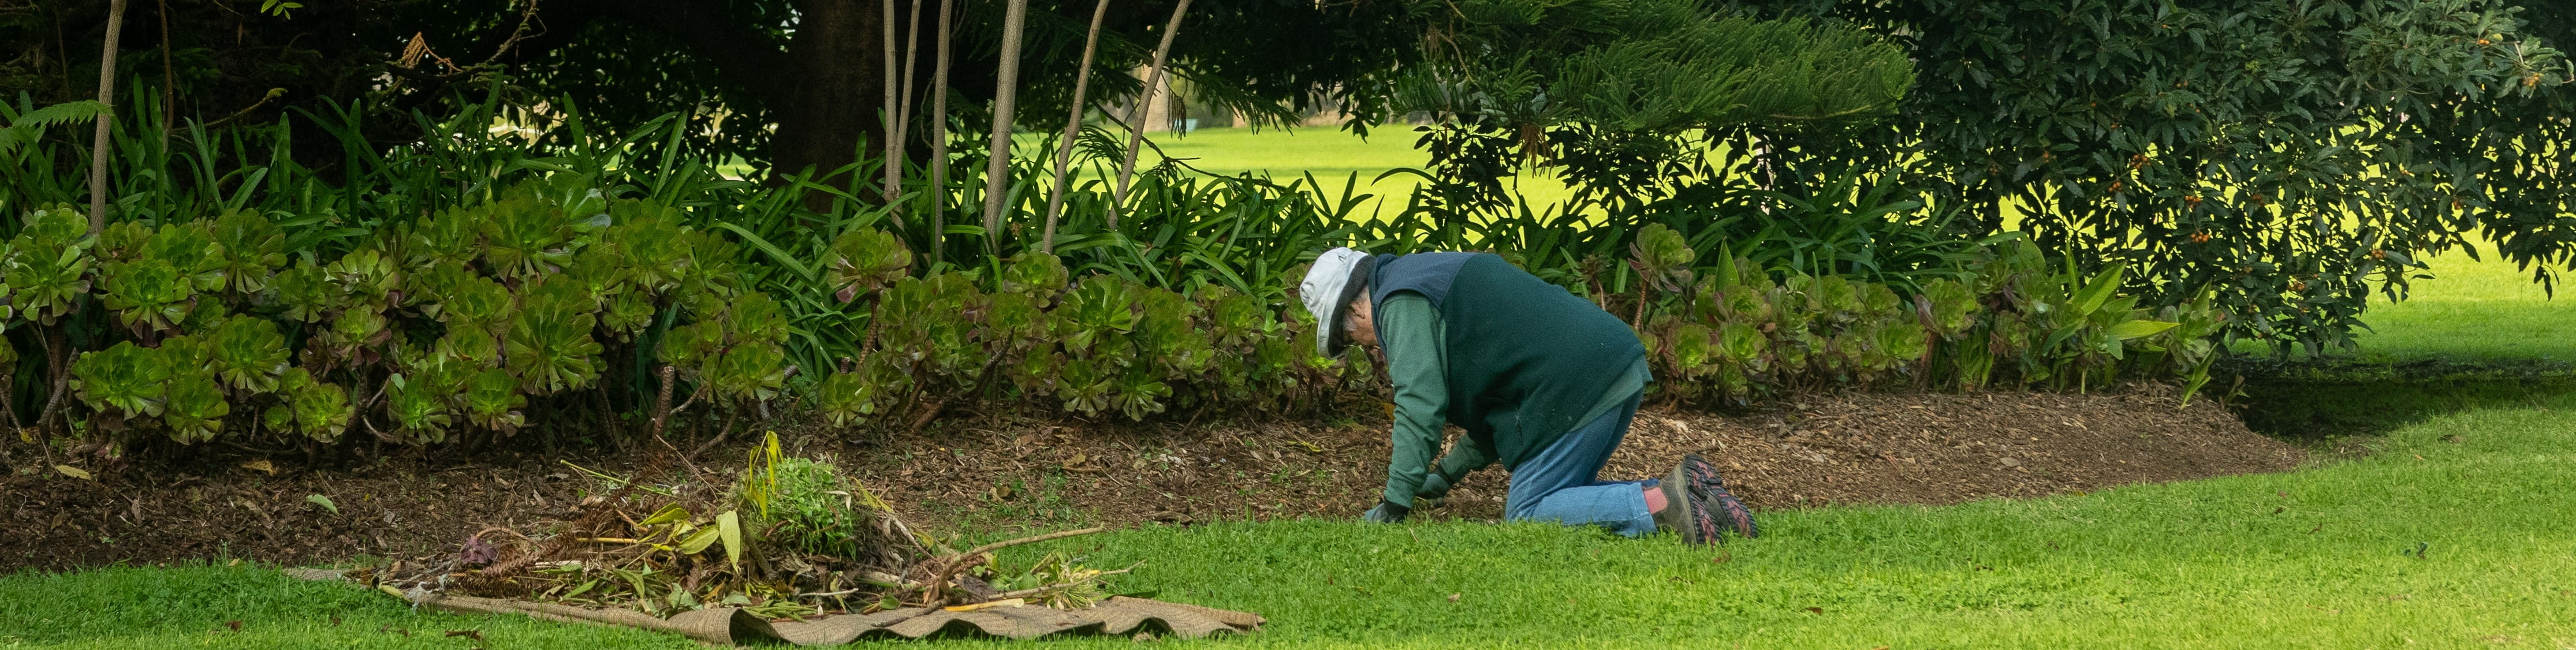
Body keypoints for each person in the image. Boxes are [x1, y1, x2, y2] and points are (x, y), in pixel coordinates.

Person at [1299, 247, 1758, 543]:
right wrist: (1442, 478)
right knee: (1561, 496)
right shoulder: (1422, 277)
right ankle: (1693, 494)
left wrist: (1395, 505)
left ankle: (1661, 503)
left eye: (1348, 336)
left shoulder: (1398, 301)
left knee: (1531, 512)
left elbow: (1419, 404)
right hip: (1609, 365)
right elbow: (1496, 405)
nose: (1363, 344)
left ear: (1354, 308)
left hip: (1576, 383)